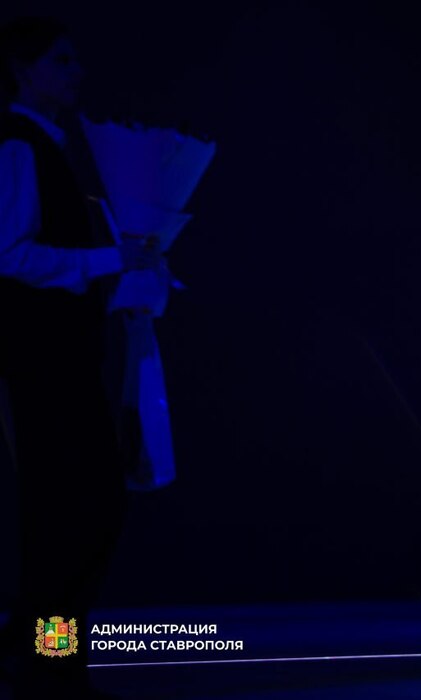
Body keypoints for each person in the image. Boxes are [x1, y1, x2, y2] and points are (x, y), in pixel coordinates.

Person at [0, 16, 158, 697]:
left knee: (77, 512)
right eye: (61, 60)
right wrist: (107, 261)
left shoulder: (46, 145)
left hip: (62, 356)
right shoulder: (18, 145)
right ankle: (47, 659)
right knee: (73, 514)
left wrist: (124, 277)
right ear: (23, 68)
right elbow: (10, 254)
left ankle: (41, 654)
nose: (77, 72)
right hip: (44, 361)